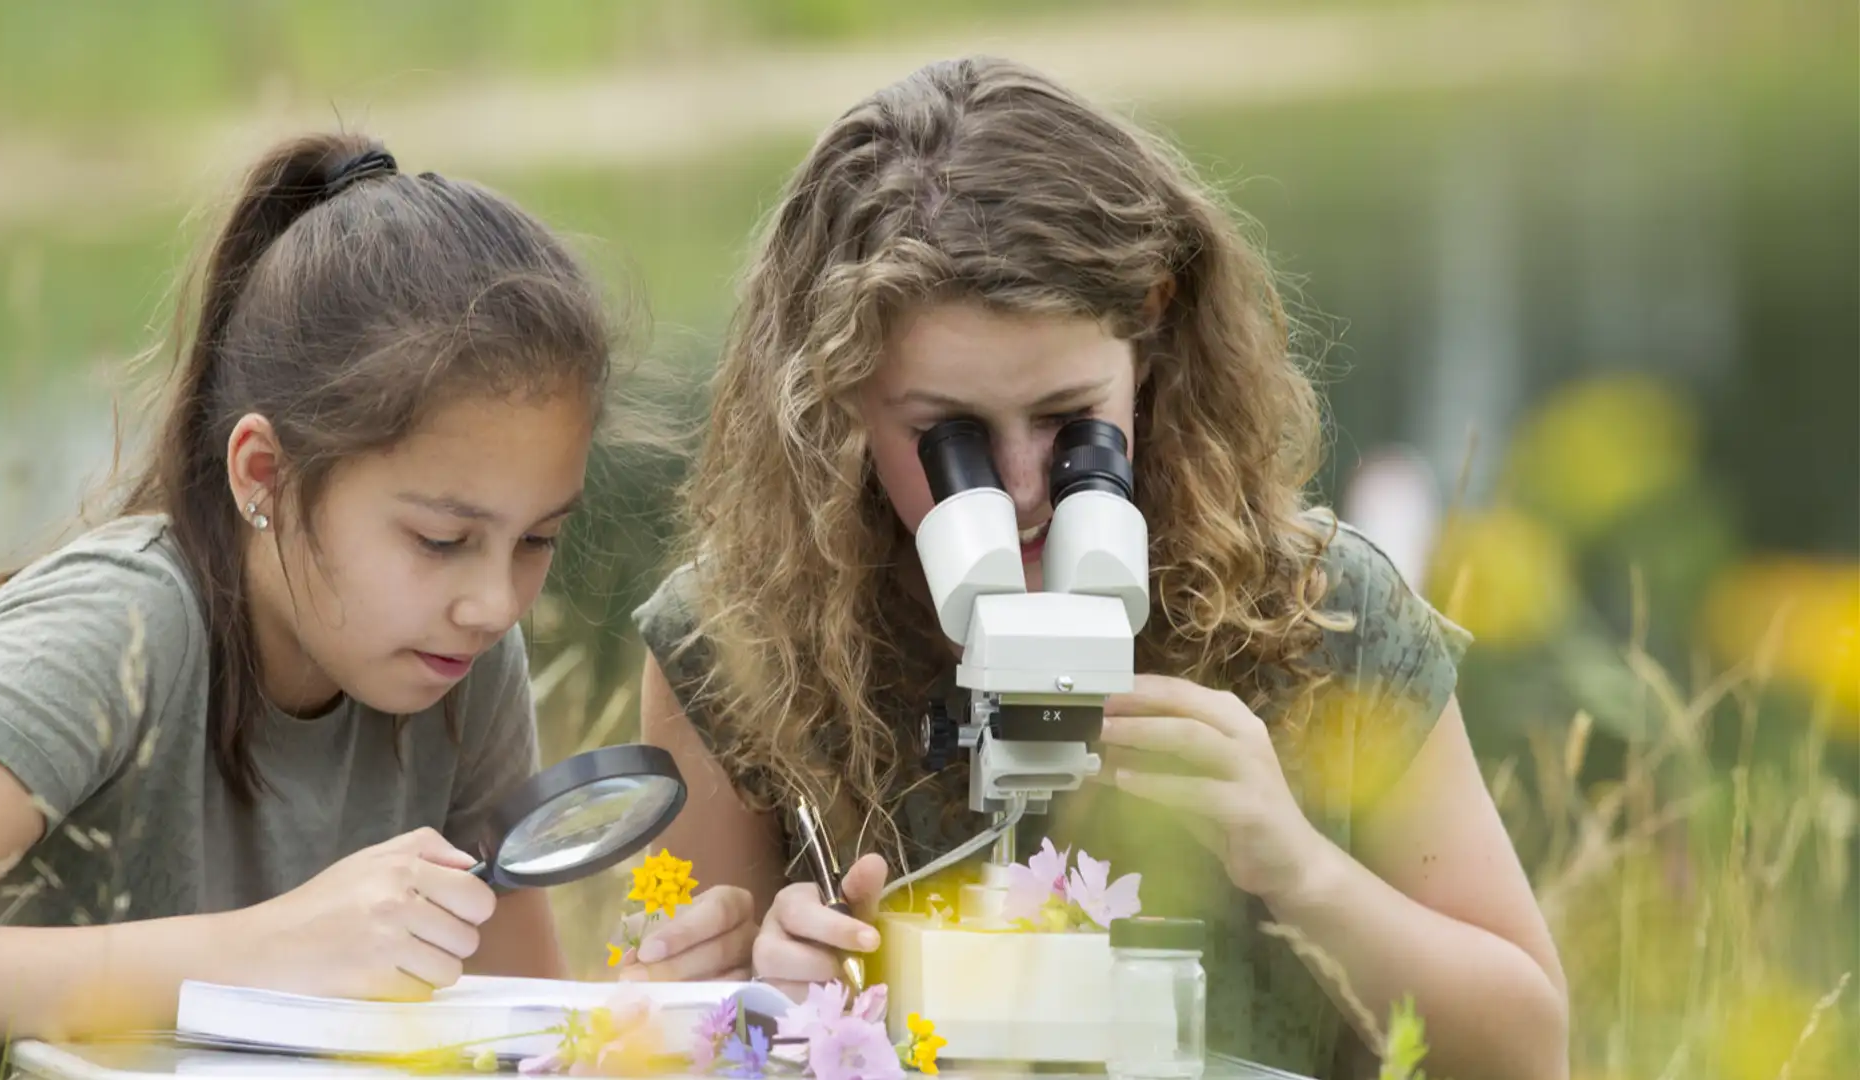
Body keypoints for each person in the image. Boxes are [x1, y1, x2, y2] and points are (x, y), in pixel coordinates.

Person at [631, 57, 1569, 1079]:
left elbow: (1529, 1051)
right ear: (838, 396)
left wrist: (1303, 872)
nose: (1026, 486)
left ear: (1153, 334)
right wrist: (767, 1004)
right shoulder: (740, 639)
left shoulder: (1323, 609)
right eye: (952, 436)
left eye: (1071, 423)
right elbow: (658, 1035)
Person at [0, 132, 753, 1050]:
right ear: (264, 476)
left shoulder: (462, 663)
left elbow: (508, 1025)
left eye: (536, 540)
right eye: (441, 539)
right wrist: (258, 951)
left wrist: (632, 1020)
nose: (493, 602)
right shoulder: (111, 630)